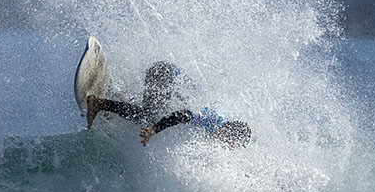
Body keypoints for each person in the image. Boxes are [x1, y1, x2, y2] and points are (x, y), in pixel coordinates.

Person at [86, 60, 251, 147]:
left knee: (153, 112)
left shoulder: (218, 123)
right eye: (231, 143)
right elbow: (183, 115)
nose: (227, 145)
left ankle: (116, 97)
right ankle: (100, 104)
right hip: (164, 73)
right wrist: (154, 130)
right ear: (230, 132)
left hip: (166, 75)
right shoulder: (214, 119)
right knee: (150, 118)